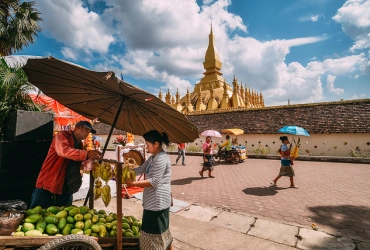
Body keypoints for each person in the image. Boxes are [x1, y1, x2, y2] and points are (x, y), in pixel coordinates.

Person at [29, 121, 102, 208]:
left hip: (66, 187)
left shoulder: (80, 144)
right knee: (38, 213)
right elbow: (64, 151)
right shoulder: (62, 135)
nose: (88, 133)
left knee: (64, 216)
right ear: (78, 127)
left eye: (89, 131)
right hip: (50, 183)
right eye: (86, 129)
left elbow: (73, 163)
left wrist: (86, 164)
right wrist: (86, 153)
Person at [126, 130, 173, 250]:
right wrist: (124, 170)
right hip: (151, 201)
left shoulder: (161, 158)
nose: (146, 147)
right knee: (158, 231)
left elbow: (154, 181)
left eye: (147, 145)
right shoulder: (153, 158)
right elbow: (140, 169)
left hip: (158, 203)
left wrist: (133, 183)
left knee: (158, 233)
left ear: (156, 144)